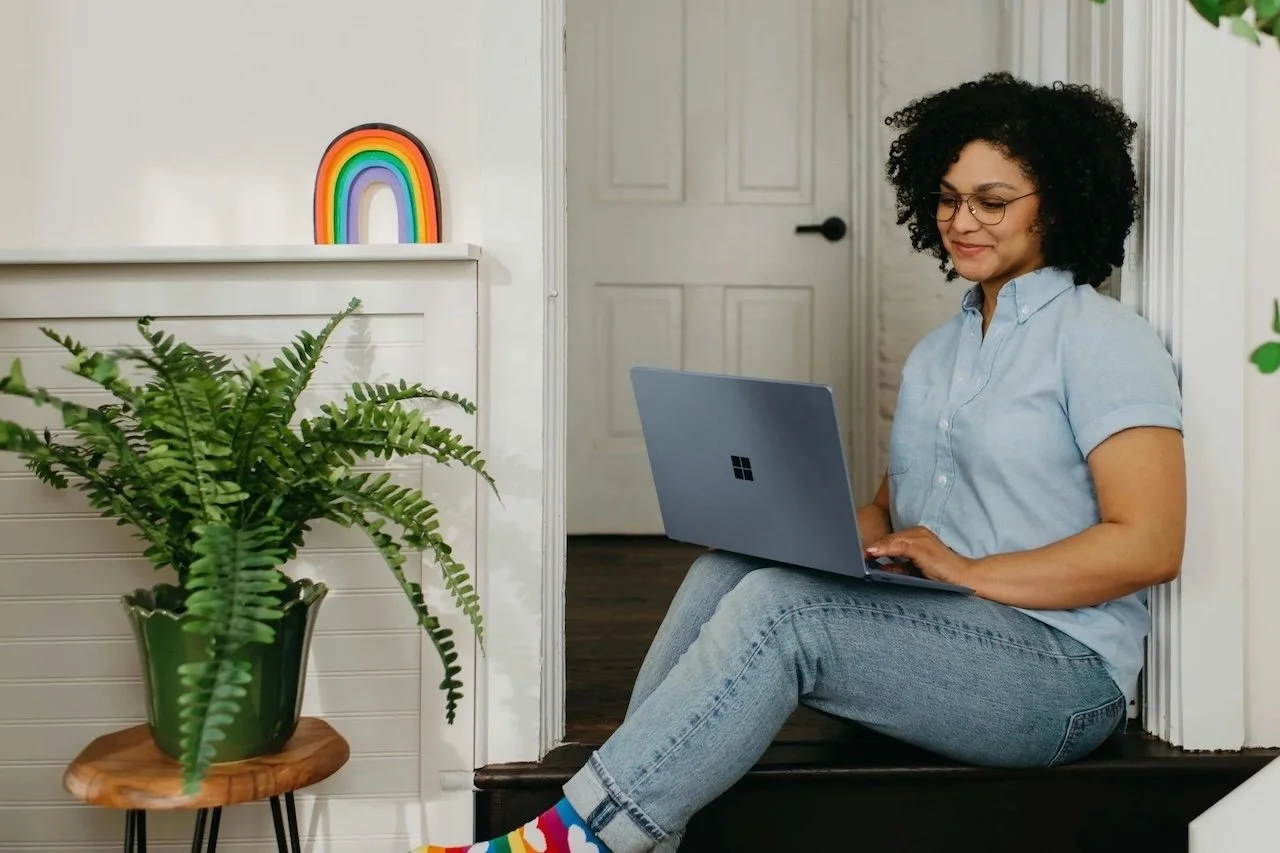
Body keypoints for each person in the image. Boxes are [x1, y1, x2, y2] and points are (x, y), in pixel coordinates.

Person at [420, 72, 1187, 853]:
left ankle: (579, 838)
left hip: (1058, 674)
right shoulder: (937, 353)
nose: (961, 221)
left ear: (1056, 204)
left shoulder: (1101, 340)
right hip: (951, 626)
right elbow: (896, 510)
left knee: (782, 609)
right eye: (948, 198)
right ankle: (613, 824)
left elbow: (1150, 542)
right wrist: (804, 529)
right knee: (729, 572)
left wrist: (969, 571)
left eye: (991, 201)